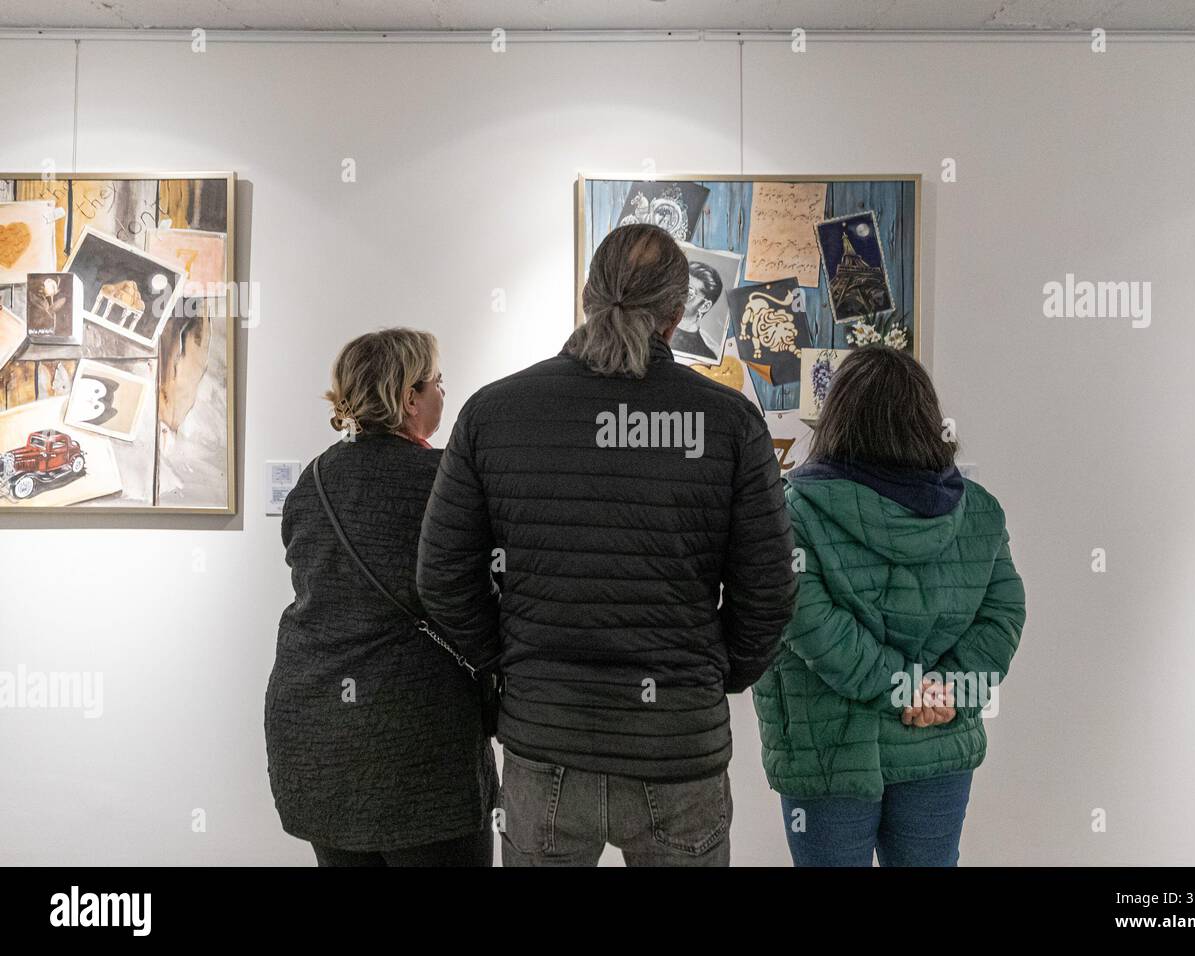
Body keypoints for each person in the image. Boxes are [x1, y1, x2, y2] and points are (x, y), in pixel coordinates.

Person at [417, 223, 797, 867]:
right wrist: (714, 673)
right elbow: (770, 587)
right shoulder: (728, 421)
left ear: (587, 295)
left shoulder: (493, 412)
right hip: (678, 744)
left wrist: (510, 659)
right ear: (677, 316)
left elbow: (442, 577)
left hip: (546, 742)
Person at [754, 345, 1026, 867]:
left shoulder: (792, 510)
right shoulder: (980, 513)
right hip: (938, 739)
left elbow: (811, 625)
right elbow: (1002, 617)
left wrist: (897, 685)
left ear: (837, 419)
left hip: (826, 751)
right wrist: (941, 690)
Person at [265, 328, 498, 867]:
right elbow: (482, 591)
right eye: (437, 381)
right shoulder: (447, 481)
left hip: (317, 729)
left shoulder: (314, 479)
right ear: (409, 397)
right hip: (417, 738)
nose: (444, 392)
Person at [670, 260, 724, 361]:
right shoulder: (652, 324)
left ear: (705, 306)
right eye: (679, 285)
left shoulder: (704, 355)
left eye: (689, 292)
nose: (678, 294)